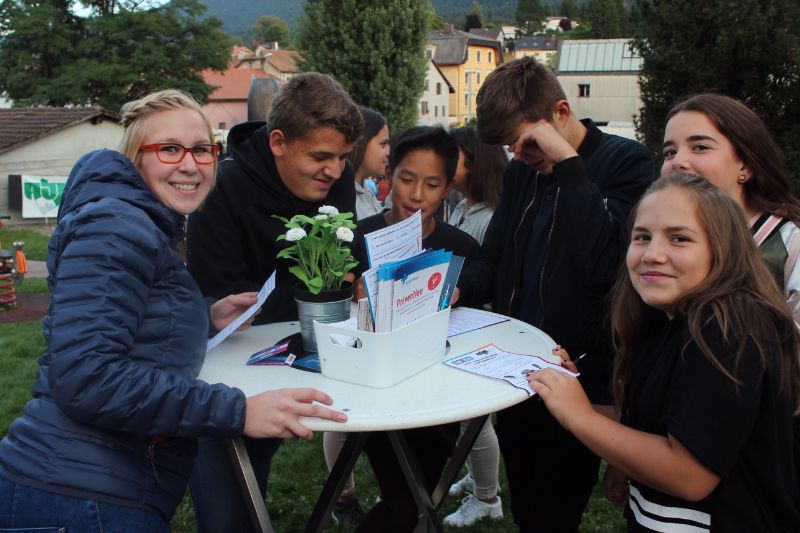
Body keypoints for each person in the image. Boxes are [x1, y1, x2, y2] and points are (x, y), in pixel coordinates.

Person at [0, 89, 347, 532]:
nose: (190, 164)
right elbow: (89, 378)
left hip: (95, 487)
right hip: (76, 495)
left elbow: (127, 319)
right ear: (135, 159)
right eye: (169, 149)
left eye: (201, 149)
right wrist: (237, 411)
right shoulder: (116, 227)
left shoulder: (139, 222)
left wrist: (206, 317)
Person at [529, 173, 800, 531]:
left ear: (724, 249)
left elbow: (690, 475)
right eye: (642, 237)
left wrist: (579, 415)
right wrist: (566, 393)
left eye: (679, 238)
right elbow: (657, 421)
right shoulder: (669, 320)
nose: (652, 254)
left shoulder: (730, 326)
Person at [456, 57, 655, 532]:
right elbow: (497, 254)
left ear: (561, 113)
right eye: (510, 148)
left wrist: (568, 165)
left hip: (582, 375)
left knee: (556, 509)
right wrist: (458, 287)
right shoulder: (523, 172)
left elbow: (605, 265)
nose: (519, 155)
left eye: (526, 142)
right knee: (528, 505)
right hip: (518, 369)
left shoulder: (627, 163)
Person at [185, 72, 363, 533]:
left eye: (343, 157)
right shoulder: (221, 189)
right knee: (229, 512)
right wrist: (320, 286)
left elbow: (349, 262)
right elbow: (220, 302)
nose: (335, 171)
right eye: (321, 157)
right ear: (279, 142)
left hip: (322, 351)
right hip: (233, 371)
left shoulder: (335, 177)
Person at [353, 126, 480, 533]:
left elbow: (479, 306)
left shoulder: (461, 248)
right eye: (407, 179)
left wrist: (459, 291)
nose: (417, 195)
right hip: (374, 395)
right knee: (407, 506)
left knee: (420, 498)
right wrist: (354, 297)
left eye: (432, 184)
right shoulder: (358, 238)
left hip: (438, 401)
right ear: (389, 174)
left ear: (447, 188)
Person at [661, 93, 800, 322]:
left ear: (745, 164)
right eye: (669, 152)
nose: (678, 161)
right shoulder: (653, 242)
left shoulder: (788, 244)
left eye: (700, 147)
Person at [443, 126, 507, 527]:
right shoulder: (462, 206)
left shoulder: (491, 215)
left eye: (454, 156)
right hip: (460, 322)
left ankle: (488, 498)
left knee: (474, 418)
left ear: (476, 160)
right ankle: (476, 477)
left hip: (477, 326)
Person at [349, 106, 389, 219]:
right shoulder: (344, 199)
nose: (388, 152)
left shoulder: (365, 189)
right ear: (361, 143)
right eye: (383, 144)